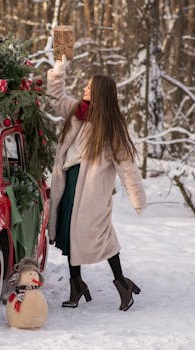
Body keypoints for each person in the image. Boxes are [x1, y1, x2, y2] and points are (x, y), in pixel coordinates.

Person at [46, 55, 147, 311]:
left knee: (101, 237)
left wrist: (137, 198)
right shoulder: (77, 110)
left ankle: (121, 283)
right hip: (69, 183)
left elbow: (127, 166)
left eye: (90, 87)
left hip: (92, 192)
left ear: (100, 94)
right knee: (69, 234)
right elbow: (55, 96)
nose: (85, 89)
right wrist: (59, 69)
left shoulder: (111, 127)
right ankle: (76, 284)